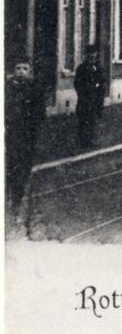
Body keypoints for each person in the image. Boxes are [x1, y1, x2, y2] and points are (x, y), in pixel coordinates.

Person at [5, 56, 47, 222]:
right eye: (18, 68)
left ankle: (17, 198)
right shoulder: (7, 88)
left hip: (27, 135)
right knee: (10, 165)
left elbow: (40, 114)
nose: (21, 72)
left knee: (23, 166)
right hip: (10, 133)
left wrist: (33, 130)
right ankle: (11, 195)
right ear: (13, 71)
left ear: (30, 72)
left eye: (25, 69)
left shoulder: (35, 89)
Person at [73, 44, 106, 148]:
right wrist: (87, 90)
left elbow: (102, 82)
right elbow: (77, 83)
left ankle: (90, 140)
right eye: (90, 56)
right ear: (86, 56)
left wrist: (99, 89)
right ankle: (82, 141)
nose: (92, 58)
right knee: (84, 120)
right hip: (85, 99)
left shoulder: (98, 68)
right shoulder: (82, 68)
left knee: (92, 120)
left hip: (96, 98)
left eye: (94, 56)